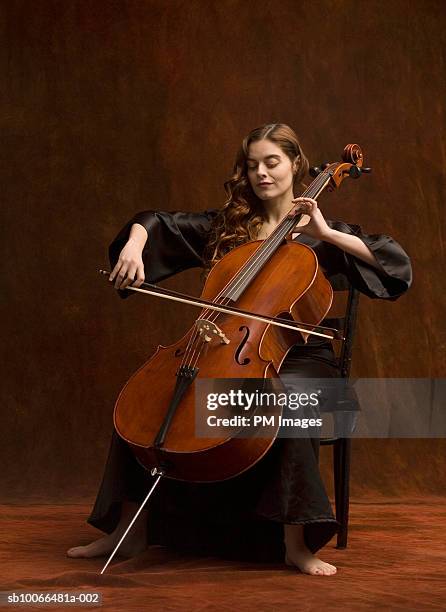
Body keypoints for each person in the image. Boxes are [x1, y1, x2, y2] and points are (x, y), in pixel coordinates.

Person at [67, 123, 412, 576]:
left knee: (291, 401)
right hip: (222, 344)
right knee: (151, 395)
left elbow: (394, 265)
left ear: (295, 165)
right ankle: (126, 532)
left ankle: (297, 543)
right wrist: (134, 244)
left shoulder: (321, 233)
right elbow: (156, 222)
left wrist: (326, 234)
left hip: (301, 354)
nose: (262, 174)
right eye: (253, 166)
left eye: (272, 162)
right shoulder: (227, 226)